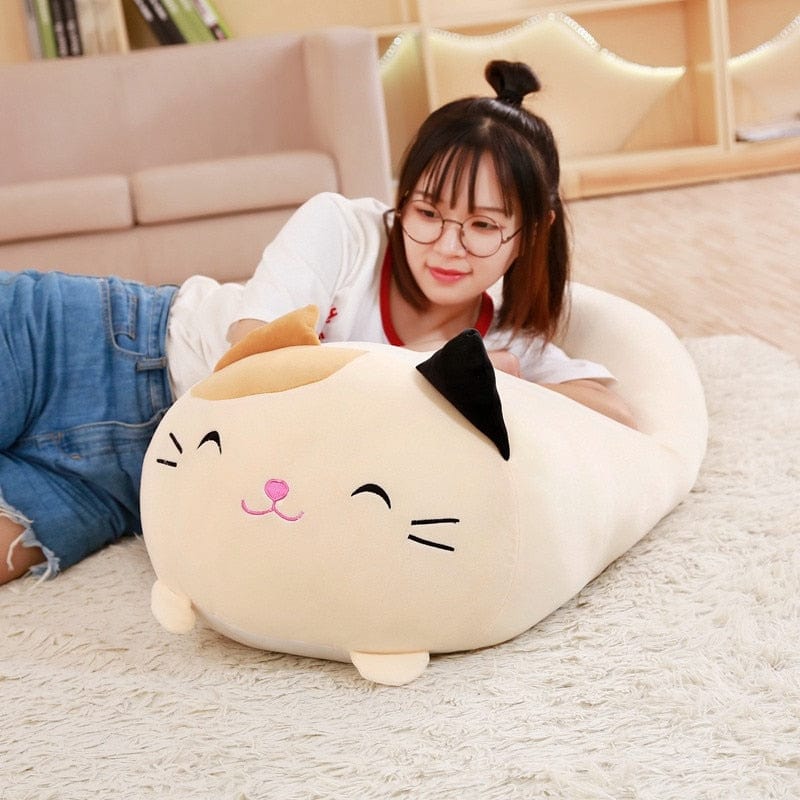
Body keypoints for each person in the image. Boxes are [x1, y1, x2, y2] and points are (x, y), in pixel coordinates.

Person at [0, 59, 634, 585]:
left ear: (534, 231)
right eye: (427, 212)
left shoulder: (506, 343)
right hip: (90, 342)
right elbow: (255, 362)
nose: (447, 246)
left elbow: (619, 419)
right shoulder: (344, 228)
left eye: (483, 225)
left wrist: (502, 381)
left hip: (150, 476)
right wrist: (429, 382)